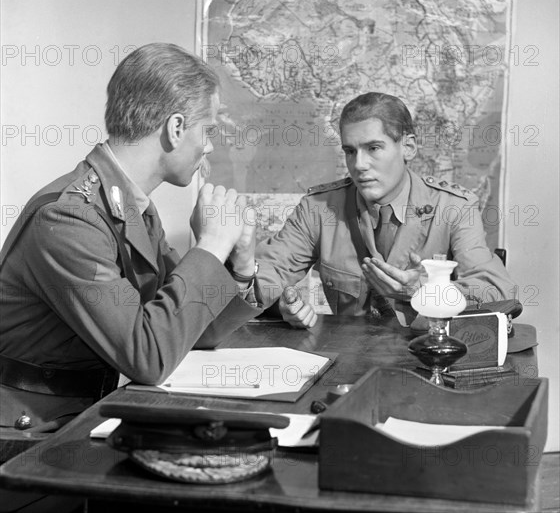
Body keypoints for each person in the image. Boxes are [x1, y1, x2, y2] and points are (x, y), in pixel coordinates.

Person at [0, 43, 262, 433]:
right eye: (207, 131)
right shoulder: (70, 219)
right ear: (175, 129)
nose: (208, 146)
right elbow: (149, 356)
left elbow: (190, 331)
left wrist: (239, 265)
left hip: (89, 412)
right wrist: (210, 247)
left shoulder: (131, 208)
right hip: (34, 434)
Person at [256, 92, 516, 328]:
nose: (359, 165)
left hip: (426, 360)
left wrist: (428, 290)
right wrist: (283, 305)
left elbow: (497, 292)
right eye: (350, 151)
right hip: (347, 362)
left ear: (408, 148)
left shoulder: (454, 209)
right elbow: (266, 275)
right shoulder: (319, 208)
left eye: (373, 148)